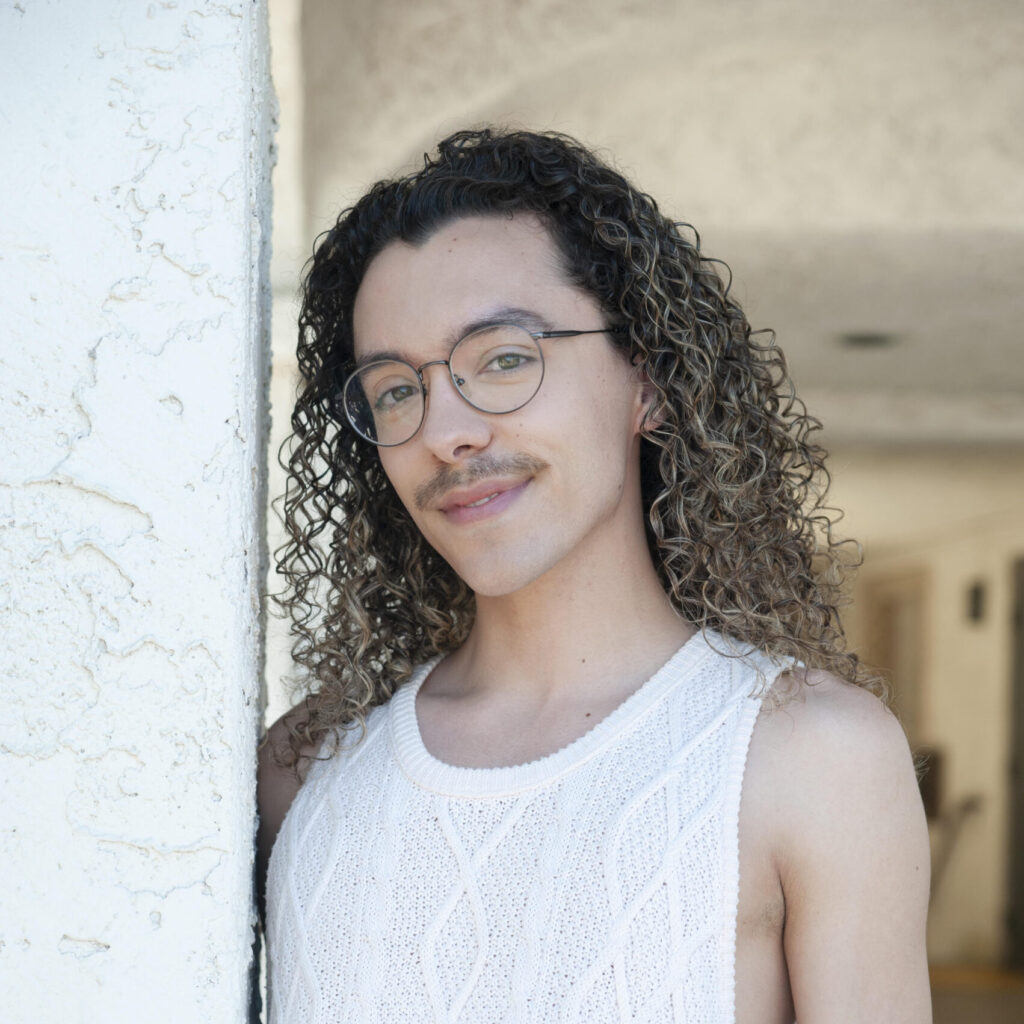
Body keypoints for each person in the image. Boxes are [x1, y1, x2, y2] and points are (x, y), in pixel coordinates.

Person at [258, 127, 930, 1023]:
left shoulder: (808, 756)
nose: (444, 431)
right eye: (394, 388)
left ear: (647, 381)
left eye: (503, 359)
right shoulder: (308, 768)